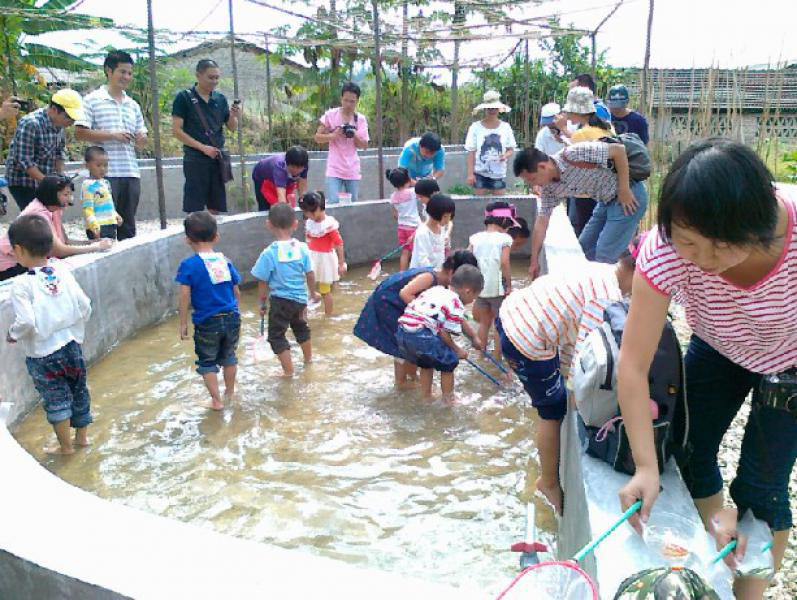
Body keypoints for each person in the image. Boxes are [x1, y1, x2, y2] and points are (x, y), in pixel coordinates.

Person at [615, 140, 797, 599]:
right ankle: (715, 537)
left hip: (792, 360)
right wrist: (644, 466)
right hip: (718, 344)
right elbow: (633, 366)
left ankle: (750, 592)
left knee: (763, 487)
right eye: (690, 245)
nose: (702, 261)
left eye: (719, 248)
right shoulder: (667, 249)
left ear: (756, 228)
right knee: (688, 449)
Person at [497, 236, 641, 514]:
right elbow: (586, 358)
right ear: (640, 274)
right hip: (525, 340)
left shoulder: (602, 270)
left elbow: (571, 333)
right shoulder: (606, 298)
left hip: (513, 314)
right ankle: (548, 481)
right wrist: (578, 397)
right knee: (552, 412)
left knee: (558, 397)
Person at [5, 214, 93, 455]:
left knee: (56, 399)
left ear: (19, 250)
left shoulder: (21, 285)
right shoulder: (63, 272)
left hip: (43, 354)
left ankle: (65, 448)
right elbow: (85, 306)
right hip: (72, 346)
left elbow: (26, 322)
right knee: (78, 391)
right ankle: (82, 439)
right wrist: (73, 327)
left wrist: (13, 335)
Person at [513, 142, 646, 277]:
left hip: (628, 196)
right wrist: (534, 260)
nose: (534, 184)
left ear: (543, 166)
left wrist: (624, 189)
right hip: (605, 201)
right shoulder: (549, 188)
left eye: (533, 179)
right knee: (584, 250)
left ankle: (621, 290)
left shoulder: (574, 154)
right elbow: (541, 222)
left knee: (605, 254)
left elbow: (619, 150)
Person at [354, 249, 479, 387]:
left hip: (407, 307)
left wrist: (473, 337)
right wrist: (425, 316)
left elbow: (452, 315)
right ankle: (401, 384)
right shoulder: (430, 277)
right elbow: (405, 293)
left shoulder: (446, 288)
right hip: (388, 302)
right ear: (452, 273)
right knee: (401, 346)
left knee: (412, 343)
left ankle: (412, 380)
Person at [75, 51, 147, 241]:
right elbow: (80, 133)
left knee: (128, 227)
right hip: (103, 175)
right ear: (108, 70)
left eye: (130, 73)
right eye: (122, 72)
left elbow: (142, 138)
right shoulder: (92, 100)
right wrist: (112, 135)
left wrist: (140, 139)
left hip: (130, 172)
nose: (126, 77)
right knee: (102, 227)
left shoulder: (133, 105)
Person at [176, 212, 241, 411]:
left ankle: (216, 400)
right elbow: (236, 290)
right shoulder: (225, 261)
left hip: (207, 321)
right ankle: (230, 392)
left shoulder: (188, 266)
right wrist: (237, 312)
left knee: (207, 361)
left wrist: (183, 323)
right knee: (229, 355)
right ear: (216, 237)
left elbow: (184, 296)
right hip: (231, 316)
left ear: (188, 240)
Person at [251, 204, 321, 377]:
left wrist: (262, 303)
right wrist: (312, 294)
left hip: (280, 301)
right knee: (301, 328)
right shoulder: (303, 248)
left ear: (269, 224)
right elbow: (310, 274)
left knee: (276, 336)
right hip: (300, 299)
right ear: (295, 224)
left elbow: (263, 282)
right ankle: (308, 360)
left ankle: (288, 371)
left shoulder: (269, 254)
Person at [0, 175, 112, 281]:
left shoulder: (54, 209)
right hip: (11, 265)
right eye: (66, 195)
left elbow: (65, 241)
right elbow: (59, 250)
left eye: (70, 194)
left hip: (26, 261)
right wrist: (96, 247)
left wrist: (91, 242)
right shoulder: (39, 214)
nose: (70, 199)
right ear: (52, 194)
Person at [397, 264, 484, 400]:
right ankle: (448, 400)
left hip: (402, 331)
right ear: (468, 291)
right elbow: (443, 332)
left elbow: (456, 323)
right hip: (422, 334)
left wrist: (473, 338)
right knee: (449, 361)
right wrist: (457, 350)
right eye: (474, 298)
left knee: (425, 362)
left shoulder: (437, 290)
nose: (472, 301)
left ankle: (426, 397)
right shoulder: (456, 303)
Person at [172, 59, 241, 214]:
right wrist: (203, 148)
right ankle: (195, 235)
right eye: (211, 77)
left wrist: (234, 115)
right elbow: (176, 131)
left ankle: (212, 234)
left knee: (216, 206)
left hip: (217, 159)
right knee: (194, 206)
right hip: (195, 159)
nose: (214, 81)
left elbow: (231, 128)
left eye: (217, 78)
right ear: (198, 75)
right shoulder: (184, 98)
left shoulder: (220, 99)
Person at [5, 89, 83, 211]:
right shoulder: (31, 124)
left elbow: (59, 153)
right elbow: (25, 161)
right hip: (23, 182)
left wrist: (61, 178)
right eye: (68, 117)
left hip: (46, 181)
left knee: (52, 215)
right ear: (54, 109)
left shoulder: (60, 125)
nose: (71, 122)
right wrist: (50, 183)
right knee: (36, 217)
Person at [557, 86, 616, 237]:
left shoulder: (581, 134)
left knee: (583, 234)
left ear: (577, 111)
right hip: (606, 191)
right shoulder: (608, 128)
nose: (568, 116)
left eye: (569, 112)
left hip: (585, 193)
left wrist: (563, 129)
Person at [469, 202, 516, 360]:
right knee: (498, 325)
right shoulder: (505, 239)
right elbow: (505, 262)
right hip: (497, 289)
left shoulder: (475, 238)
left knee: (484, 322)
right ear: (503, 221)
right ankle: (497, 357)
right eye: (508, 224)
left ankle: (480, 355)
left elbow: (468, 260)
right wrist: (509, 285)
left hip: (479, 288)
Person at [314, 82, 369, 204]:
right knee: (333, 202)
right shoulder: (330, 115)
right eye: (346, 100)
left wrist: (354, 134)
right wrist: (333, 135)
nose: (348, 104)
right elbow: (317, 137)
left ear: (357, 101)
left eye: (352, 101)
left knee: (353, 204)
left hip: (352, 169)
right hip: (334, 168)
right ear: (341, 99)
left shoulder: (360, 119)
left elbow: (364, 146)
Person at [299, 191, 346, 317]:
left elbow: (339, 244)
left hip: (325, 260)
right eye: (306, 213)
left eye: (310, 212)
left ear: (319, 208)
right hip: (311, 257)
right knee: (306, 288)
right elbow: (307, 241)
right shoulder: (309, 223)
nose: (308, 215)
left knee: (325, 290)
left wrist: (341, 264)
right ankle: (303, 317)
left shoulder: (329, 225)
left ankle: (328, 316)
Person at [465, 90, 517, 196]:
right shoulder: (475, 127)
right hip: (479, 172)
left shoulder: (505, 127)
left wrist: (504, 156)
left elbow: (511, 149)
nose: (492, 111)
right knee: (478, 204)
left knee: (500, 206)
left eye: (494, 108)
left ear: (498, 109)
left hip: (498, 173)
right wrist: (470, 174)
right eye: (489, 108)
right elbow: (471, 152)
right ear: (485, 109)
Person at [81, 146, 122, 240]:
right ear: (87, 165)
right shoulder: (88, 185)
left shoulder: (106, 183)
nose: (102, 169)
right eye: (98, 165)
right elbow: (88, 208)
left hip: (110, 223)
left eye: (105, 165)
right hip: (98, 226)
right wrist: (93, 225)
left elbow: (109, 203)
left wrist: (115, 215)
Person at [252, 146, 309, 211]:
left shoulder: (304, 165)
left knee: (289, 203)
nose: (296, 170)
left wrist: (304, 204)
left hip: (284, 181)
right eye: (293, 167)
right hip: (263, 178)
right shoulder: (280, 166)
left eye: (299, 168)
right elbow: (281, 198)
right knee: (267, 207)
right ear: (287, 163)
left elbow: (302, 185)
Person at [386, 167, 421, 271]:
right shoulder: (412, 192)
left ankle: (402, 273)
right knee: (417, 252)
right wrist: (413, 181)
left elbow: (395, 215)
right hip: (414, 227)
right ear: (407, 180)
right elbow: (421, 186)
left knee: (405, 252)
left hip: (402, 227)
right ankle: (417, 272)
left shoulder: (393, 196)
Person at [410, 193, 455, 270]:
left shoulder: (441, 228)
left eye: (449, 216)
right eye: (445, 216)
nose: (447, 220)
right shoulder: (423, 233)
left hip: (436, 273)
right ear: (435, 213)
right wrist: (436, 274)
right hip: (421, 274)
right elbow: (423, 260)